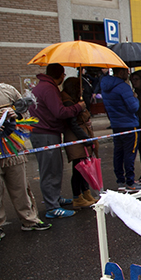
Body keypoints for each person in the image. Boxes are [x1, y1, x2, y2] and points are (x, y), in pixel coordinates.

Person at [29, 63, 87, 218]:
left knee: (53, 167)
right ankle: (52, 207)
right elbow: (60, 112)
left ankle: (54, 198)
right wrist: (78, 107)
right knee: (50, 169)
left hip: (43, 131)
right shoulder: (49, 89)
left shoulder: (41, 87)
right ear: (61, 75)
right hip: (45, 133)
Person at [0, 82, 52, 236]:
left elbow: (25, 113)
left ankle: (29, 220)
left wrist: (17, 115)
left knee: (20, 187)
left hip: (13, 148)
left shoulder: (7, 90)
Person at [101, 67, 141, 192]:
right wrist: (135, 97)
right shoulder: (123, 87)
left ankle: (120, 180)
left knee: (118, 153)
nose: (128, 74)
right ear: (120, 72)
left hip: (116, 124)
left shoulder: (105, 87)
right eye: (126, 71)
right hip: (129, 124)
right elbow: (133, 107)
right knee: (130, 153)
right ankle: (130, 182)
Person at [60, 77, 98, 208]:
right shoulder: (69, 103)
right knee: (78, 169)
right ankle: (77, 196)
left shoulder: (75, 102)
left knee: (84, 167)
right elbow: (73, 124)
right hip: (76, 139)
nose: (82, 89)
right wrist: (85, 139)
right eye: (80, 87)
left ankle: (85, 192)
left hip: (80, 136)